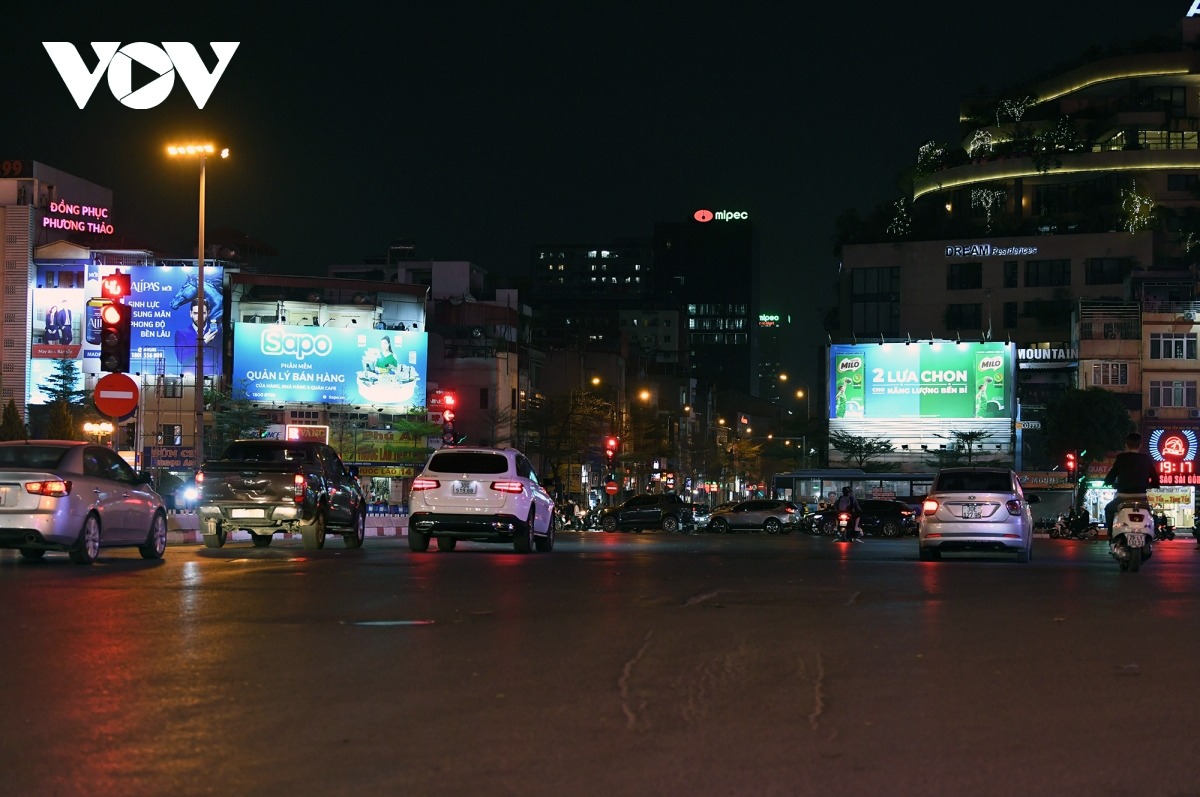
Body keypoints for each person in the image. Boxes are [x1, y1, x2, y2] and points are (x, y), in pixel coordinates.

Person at [1103, 432, 1159, 537]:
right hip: (1141, 497)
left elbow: (1111, 476)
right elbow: (1155, 478)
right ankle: (1154, 533)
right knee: (1150, 514)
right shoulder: (1146, 459)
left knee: (1108, 509)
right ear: (1140, 445)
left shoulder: (1121, 458)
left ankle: (1110, 533)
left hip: (1122, 497)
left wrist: (1108, 482)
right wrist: (1153, 485)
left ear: (1126, 445)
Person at [174, 299, 219, 371]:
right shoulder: (181, 334)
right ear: (190, 314)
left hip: (212, 375)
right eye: (195, 313)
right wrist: (203, 342)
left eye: (203, 313)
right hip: (189, 376)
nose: (199, 317)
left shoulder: (216, 333)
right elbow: (181, 358)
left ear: (208, 313)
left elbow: (221, 359)